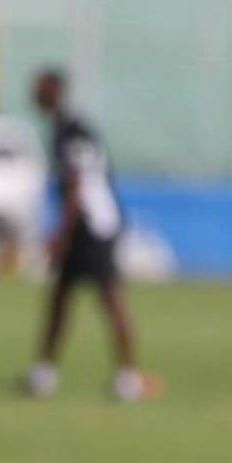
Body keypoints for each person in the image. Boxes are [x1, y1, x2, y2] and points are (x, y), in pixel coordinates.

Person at [26, 67, 160, 401]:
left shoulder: (68, 131)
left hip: (93, 226)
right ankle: (44, 374)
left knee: (110, 299)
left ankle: (127, 377)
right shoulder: (70, 127)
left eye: (39, 88)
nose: (33, 94)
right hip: (89, 225)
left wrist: (59, 234)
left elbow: (77, 188)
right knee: (60, 299)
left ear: (54, 91)